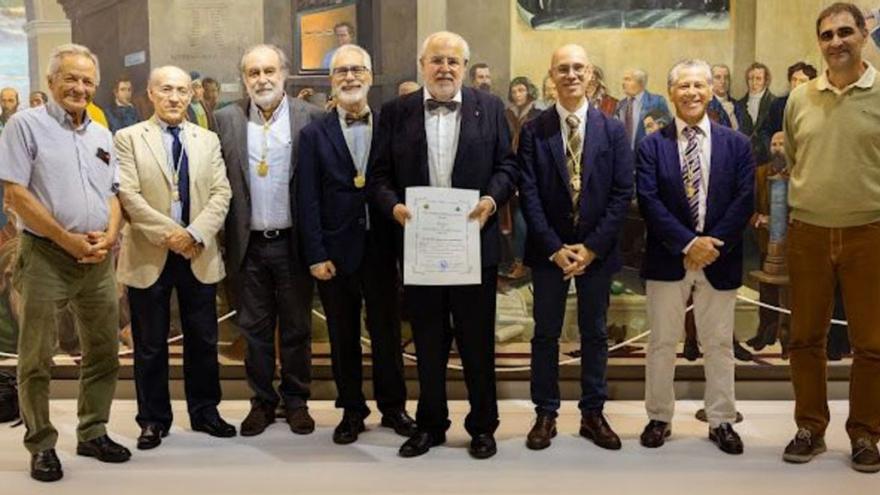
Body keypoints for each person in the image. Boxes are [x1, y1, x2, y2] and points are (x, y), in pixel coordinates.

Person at [368, 31, 518, 459]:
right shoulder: (396, 112)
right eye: (437, 60)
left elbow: (508, 166)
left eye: (454, 61)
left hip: (473, 247)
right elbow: (378, 177)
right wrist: (394, 208)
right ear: (422, 64)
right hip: (420, 250)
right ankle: (431, 425)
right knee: (428, 343)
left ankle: (482, 426)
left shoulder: (488, 108)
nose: (445, 68)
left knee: (476, 344)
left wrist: (491, 199)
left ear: (465, 68)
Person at [0, 43, 129, 482]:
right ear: (52, 82)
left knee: (104, 351)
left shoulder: (99, 132)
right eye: (70, 79)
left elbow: (113, 193)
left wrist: (110, 236)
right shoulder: (24, 125)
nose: (80, 87)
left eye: (87, 80)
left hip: (96, 259)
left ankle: (92, 431)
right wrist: (67, 240)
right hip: (46, 257)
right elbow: (15, 194)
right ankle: (41, 444)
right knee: (36, 358)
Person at [297, 44, 416, 445]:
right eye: (341, 71)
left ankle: (394, 407)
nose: (349, 77)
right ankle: (351, 410)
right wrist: (315, 254)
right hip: (335, 252)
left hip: (383, 249)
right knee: (342, 336)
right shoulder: (314, 134)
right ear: (331, 81)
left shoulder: (390, 126)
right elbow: (307, 197)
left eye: (356, 70)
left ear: (370, 76)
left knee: (386, 333)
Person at [636, 59, 754, 456]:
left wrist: (710, 244)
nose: (691, 93)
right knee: (662, 343)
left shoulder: (737, 144)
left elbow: (744, 200)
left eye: (698, 85)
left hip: (720, 258)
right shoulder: (652, 145)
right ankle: (659, 417)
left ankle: (721, 419)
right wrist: (688, 244)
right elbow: (649, 201)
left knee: (719, 344)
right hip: (668, 259)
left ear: (710, 91)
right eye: (683, 86)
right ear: (671, 93)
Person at [518, 44, 633, 452]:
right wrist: (554, 247)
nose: (570, 75)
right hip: (549, 252)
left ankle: (592, 413)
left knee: (595, 334)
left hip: (595, 253)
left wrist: (591, 248)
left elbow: (622, 194)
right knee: (545, 334)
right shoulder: (534, 129)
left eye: (578, 68)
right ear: (551, 76)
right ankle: (545, 413)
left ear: (590, 75)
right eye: (562, 69)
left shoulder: (612, 129)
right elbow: (527, 192)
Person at [782, 2, 880, 473]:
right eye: (826, 35)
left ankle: (865, 433)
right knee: (803, 338)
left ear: (864, 34)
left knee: (872, 343)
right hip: (809, 233)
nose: (836, 41)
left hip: (870, 232)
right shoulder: (800, 99)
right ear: (818, 42)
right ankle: (810, 428)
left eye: (845, 32)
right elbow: (795, 158)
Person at [115, 65, 235, 450]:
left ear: (192, 95)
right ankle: (153, 419)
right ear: (150, 94)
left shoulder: (207, 139)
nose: (174, 97)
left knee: (203, 339)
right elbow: (128, 196)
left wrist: (194, 234)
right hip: (150, 253)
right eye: (166, 89)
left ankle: (205, 412)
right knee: (149, 344)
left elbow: (222, 193)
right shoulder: (128, 138)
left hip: (198, 251)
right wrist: (172, 235)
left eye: (182, 90)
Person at [214, 44, 324, 437]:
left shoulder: (311, 117)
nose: (262, 79)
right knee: (254, 331)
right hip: (247, 246)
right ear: (244, 79)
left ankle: (296, 401)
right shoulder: (224, 119)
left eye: (269, 71)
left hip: (293, 244)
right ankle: (262, 402)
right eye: (253, 73)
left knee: (296, 329)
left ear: (284, 75)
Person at [502, 76, 541, 280]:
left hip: (531, 174)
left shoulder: (538, 115)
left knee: (524, 221)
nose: (518, 95)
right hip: (511, 173)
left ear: (529, 92)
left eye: (521, 90)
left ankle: (525, 263)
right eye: (514, 91)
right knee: (512, 221)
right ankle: (518, 262)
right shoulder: (508, 115)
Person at [614, 68, 670, 151]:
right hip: (625, 157)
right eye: (624, 79)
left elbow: (668, 130)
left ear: (640, 83)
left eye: (628, 79)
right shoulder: (620, 105)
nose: (623, 83)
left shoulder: (657, 101)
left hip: (649, 154)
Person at [764, 62, 817, 138]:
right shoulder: (778, 105)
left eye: (802, 81)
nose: (796, 84)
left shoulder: (816, 106)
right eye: (794, 80)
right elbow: (766, 131)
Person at [737, 62, 776, 163]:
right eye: (751, 78)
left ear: (765, 81)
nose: (754, 82)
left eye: (758, 78)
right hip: (744, 157)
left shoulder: (775, 103)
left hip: (767, 158)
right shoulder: (739, 104)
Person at [706, 64, 739, 129]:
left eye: (726, 77)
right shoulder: (706, 106)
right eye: (718, 77)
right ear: (710, 81)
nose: (723, 81)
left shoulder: (738, 105)